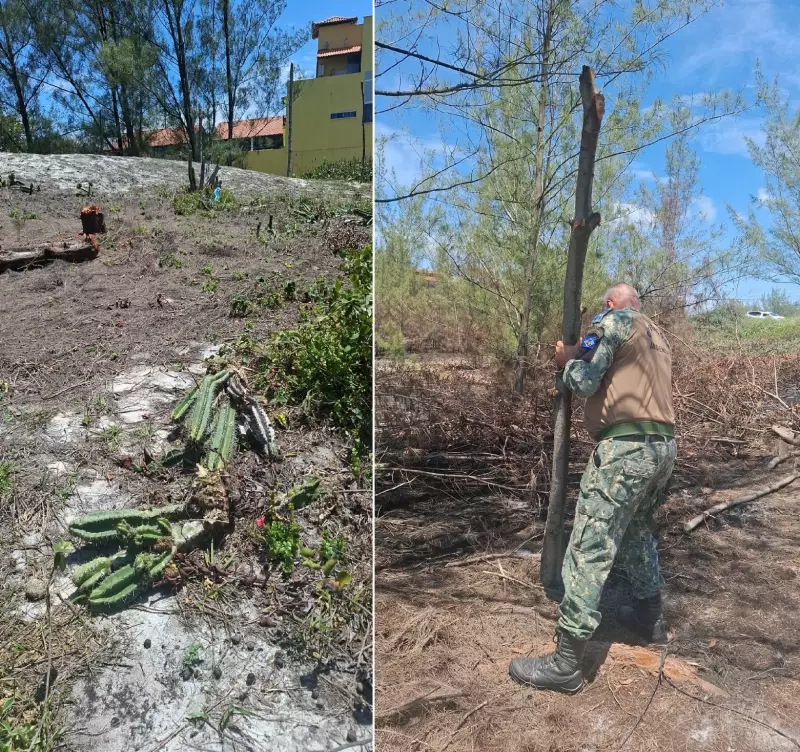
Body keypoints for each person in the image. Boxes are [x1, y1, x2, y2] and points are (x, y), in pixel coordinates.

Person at [509, 283, 677, 694]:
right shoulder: (656, 334)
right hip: (662, 447)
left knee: (590, 542)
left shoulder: (614, 322)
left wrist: (567, 363)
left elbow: (584, 381)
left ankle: (566, 664)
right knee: (636, 531)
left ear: (611, 303)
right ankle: (649, 618)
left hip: (626, 448)